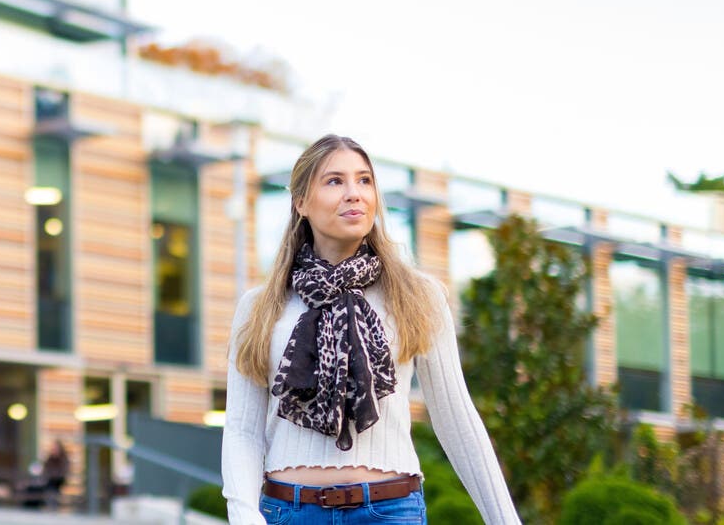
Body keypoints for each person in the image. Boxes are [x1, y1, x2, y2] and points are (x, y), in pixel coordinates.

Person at [221, 135, 520, 524]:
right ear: (301, 202)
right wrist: (244, 515)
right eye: (334, 181)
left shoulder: (417, 296)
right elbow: (243, 430)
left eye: (364, 181)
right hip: (289, 512)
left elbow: (456, 419)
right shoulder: (260, 307)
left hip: (391, 510)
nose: (354, 194)